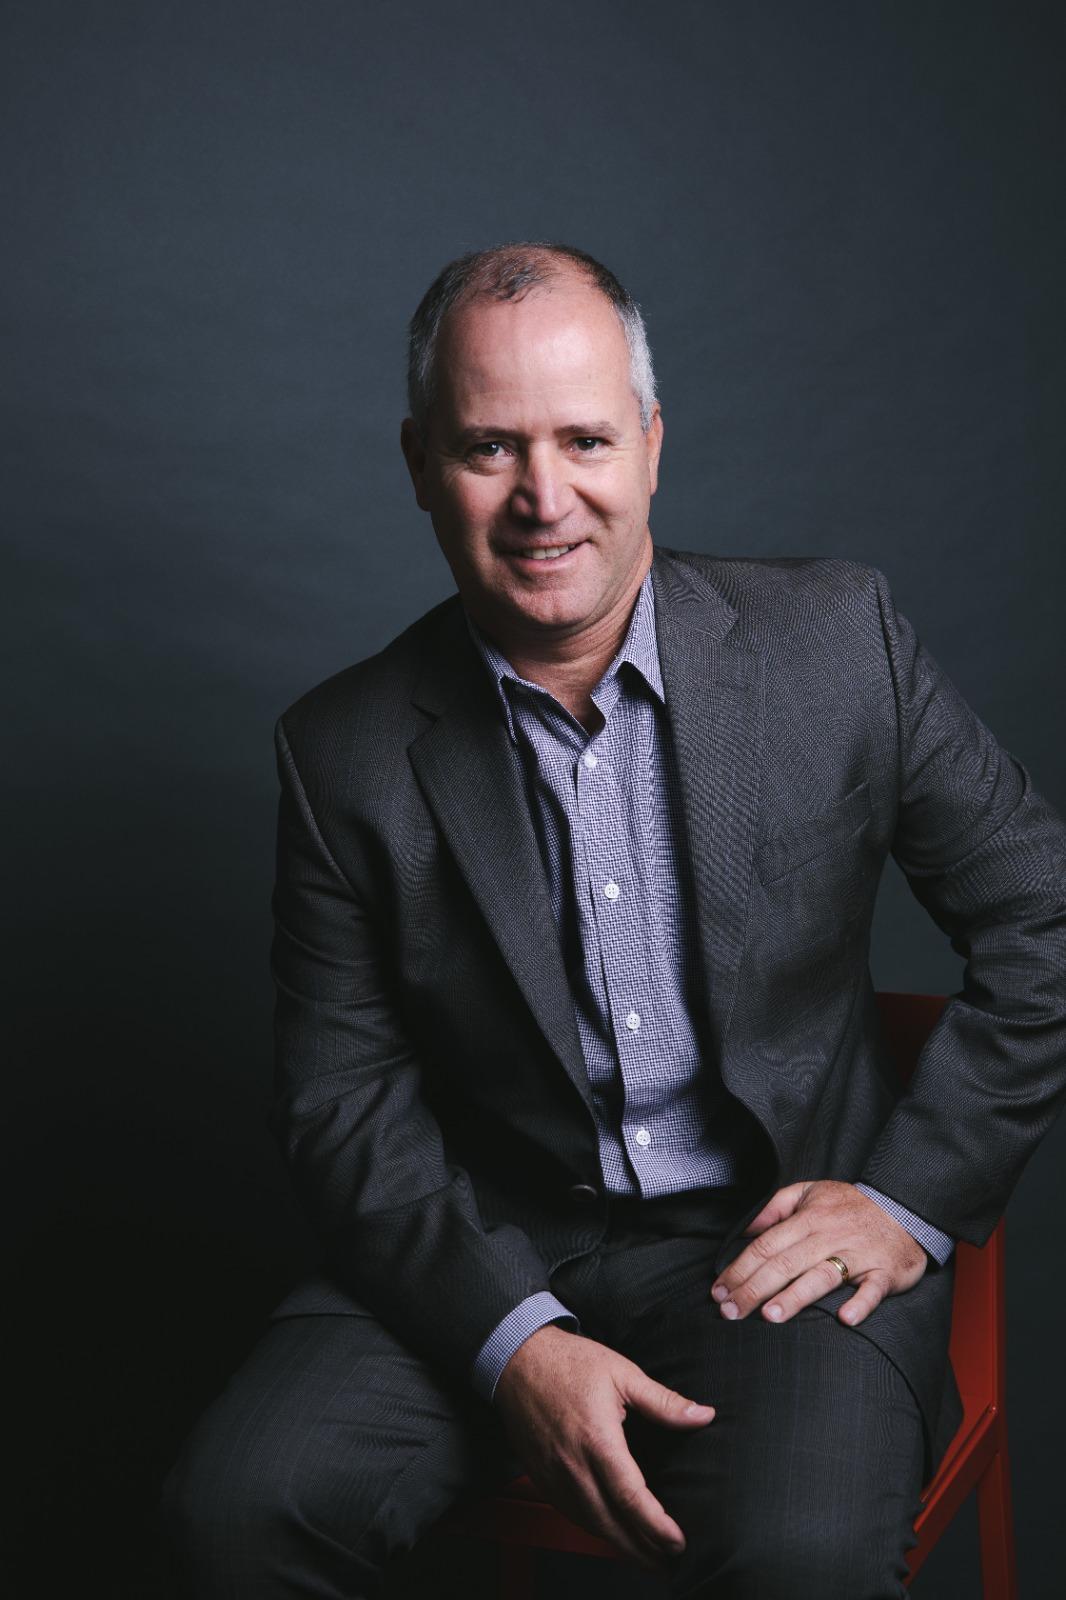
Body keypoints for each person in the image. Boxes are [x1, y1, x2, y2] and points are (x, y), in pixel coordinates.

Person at [163, 243, 1066, 1598]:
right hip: (477, 1246)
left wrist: (905, 1196)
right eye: (490, 448)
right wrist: (513, 1339)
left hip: (776, 1245)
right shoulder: (340, 751)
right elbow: (342, 1103)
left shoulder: (838, 641)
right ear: (419, 464)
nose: (545, 499)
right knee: (239, 1511)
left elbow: (1046, 914)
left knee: (805, 1563)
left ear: (649, 444)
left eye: (584, 440)